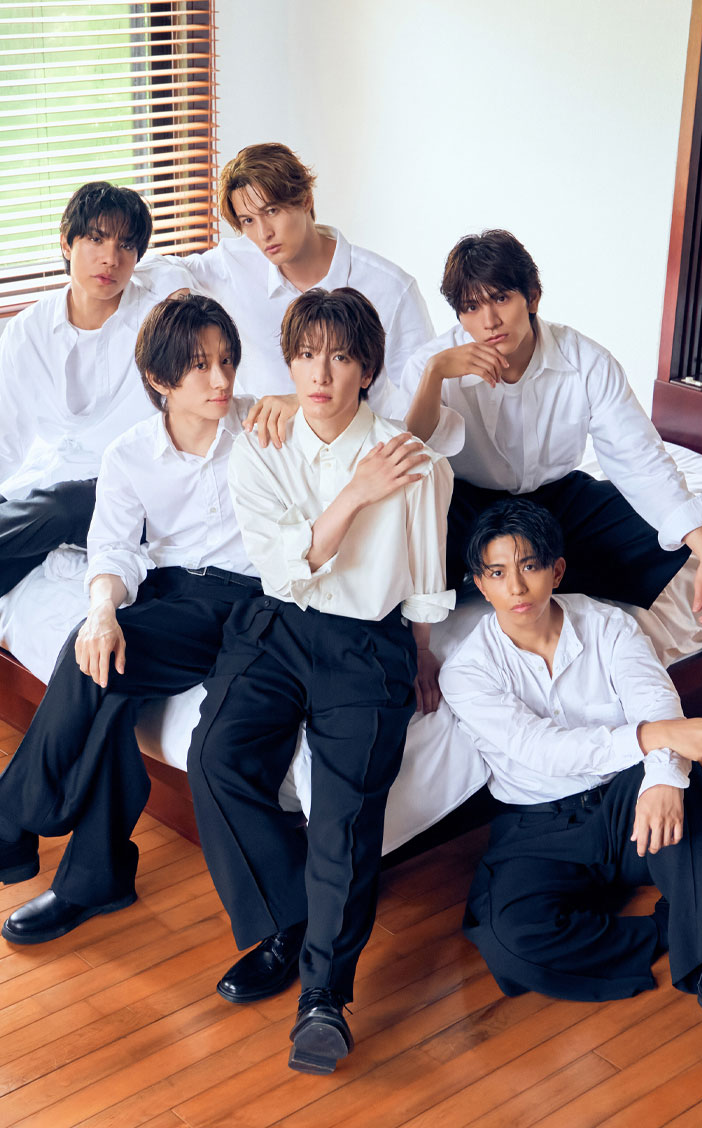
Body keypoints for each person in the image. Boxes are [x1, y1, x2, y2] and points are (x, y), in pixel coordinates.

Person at [0, 294, 291, 943]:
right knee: (100, 661)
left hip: (241, 600)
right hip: (168, 593)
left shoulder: (263, 427)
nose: (222, 379)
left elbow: (342, 423)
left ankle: (10, 832)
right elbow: (112, 550)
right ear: (160, 379)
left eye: (228, 360)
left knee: (92, 667)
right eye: (201, 366)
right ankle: (94, 877)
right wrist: (102, 611)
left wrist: (300, 405)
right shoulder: (129, 453)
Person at [186, 287, 454, 1074]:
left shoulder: (416, 461)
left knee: (342, 817)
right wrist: (356, 493)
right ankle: (290, 919)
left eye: (339, 357)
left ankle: (323, 999)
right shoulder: (259, 448)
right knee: (216, 759)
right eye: (306, 356)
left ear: (367, 368)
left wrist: (422, 651)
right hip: (277, 625)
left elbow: (427, 573)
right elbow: (282, 569)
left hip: (367, 644)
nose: (321, 374)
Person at [439, 498, 702, 1065]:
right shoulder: (466, 671)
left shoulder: (609, 624)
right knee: (513, 944)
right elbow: (541, 749)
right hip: (537, 827)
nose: (517, 587)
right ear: (480, 584)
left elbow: (655, 700)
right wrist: (654, 738)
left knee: (688, 794)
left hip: (623, 800)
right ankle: (685, 925)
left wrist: (663, 777)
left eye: (530, 566)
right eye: (498, 573)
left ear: (556, 570)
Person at [402, 229, 702, 630]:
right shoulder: (432, 363)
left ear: (532, 297)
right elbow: (409, 455)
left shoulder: (585, 361)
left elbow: (639, 457)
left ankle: (510, 568)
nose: (488, 322)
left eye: (501, 298)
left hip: (554, 502)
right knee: (411, 527)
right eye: (471, 307)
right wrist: (435, 375)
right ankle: (522, 564)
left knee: (657, 528)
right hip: (469, 505)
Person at [0, 181, 167, 803]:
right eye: (96, 240)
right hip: (45, 495)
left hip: (121, 494)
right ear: (66, 243)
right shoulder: (30, 328)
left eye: (127, 246)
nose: (111, 258)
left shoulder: (158, 323)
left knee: (60, 502)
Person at [136, 141, 434, 414]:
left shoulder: (390, 288)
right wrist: (180, 295)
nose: (263, 233)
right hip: (260, 446)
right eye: (248, 220)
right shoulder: (236, 262)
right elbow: (153, 268)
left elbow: (419, 402)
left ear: (305, 200)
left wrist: (303, 404)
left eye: (272, 211)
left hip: (357, 445)